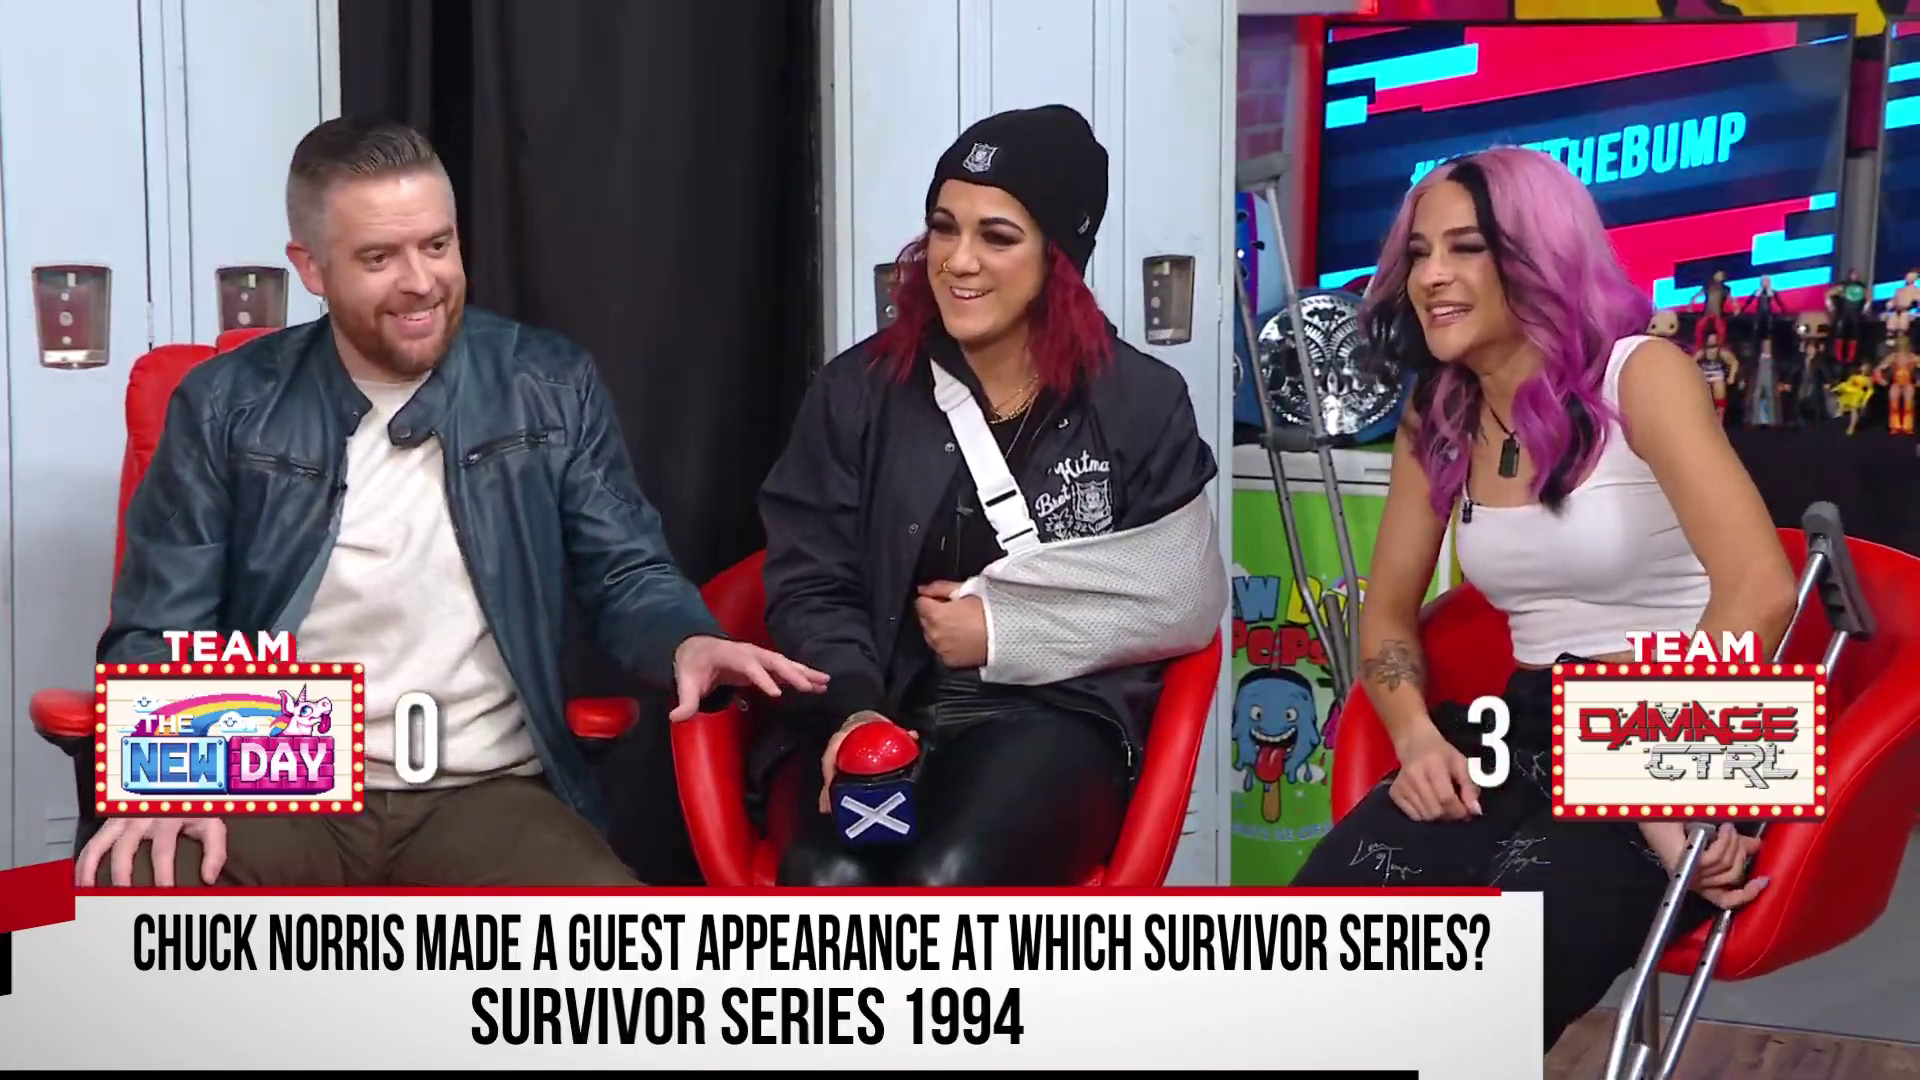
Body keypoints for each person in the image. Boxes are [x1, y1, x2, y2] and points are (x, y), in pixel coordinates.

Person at [80, 117, 826, 888]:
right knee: (132, 895)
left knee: (618, 943)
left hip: (483, 792)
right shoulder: (225, 403)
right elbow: (159, 622)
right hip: (276, 785)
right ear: (311, 267)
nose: (421, 282)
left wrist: (686, 642)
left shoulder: (547, 384)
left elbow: (625, 572)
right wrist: (164, 781)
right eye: (379, 258)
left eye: (437, 245)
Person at [1289, 147, 1798, 1052]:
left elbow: (1763, 591)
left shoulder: (1641, 374)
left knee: (1485, 994)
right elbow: (1389, 612)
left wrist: (1651, 786)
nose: (1431, 276)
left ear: (1538, 257)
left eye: (1466, 248)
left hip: (1693, 724)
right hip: (1525, 725)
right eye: (1419, 253)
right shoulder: (1439, 411)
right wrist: (1414, 737)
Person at [756, 105, 1226, 887]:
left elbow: (1184, 597)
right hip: (882, 702)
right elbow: (812, 582)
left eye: (997, 237)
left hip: (1056, 717)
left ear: (1058, 258)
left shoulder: (1141, 402)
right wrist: (856, 712)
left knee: (944, 878)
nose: (959, 261)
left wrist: (1006, 630)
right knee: (827, 878)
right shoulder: (856, 391)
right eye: (944, 228)